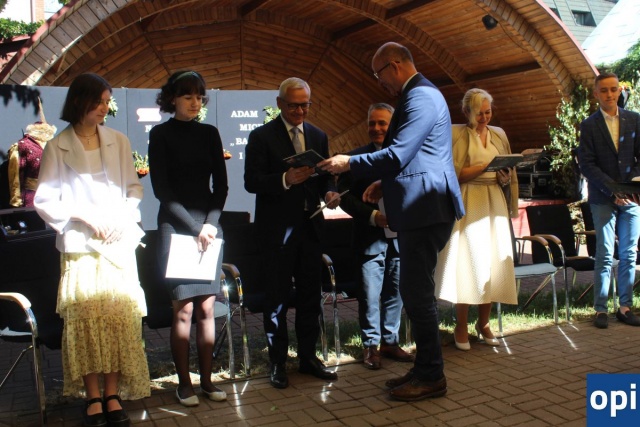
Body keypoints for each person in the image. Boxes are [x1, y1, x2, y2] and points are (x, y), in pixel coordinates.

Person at [319, 42, 464, 402]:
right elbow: (420, 154)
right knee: (415, 292)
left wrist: (348, 163)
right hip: (421, 207)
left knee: (417, 293)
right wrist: (385, 183)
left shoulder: (421, 97)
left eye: (379, 74)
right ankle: (424, 368)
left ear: (394, 65)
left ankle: (432, 375)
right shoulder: (418, 95)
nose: (379, 82)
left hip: (425, 209)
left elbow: (399, 153)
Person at [34, 73, 149, 427]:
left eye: (106, 102)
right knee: (84, 323)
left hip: (117, 243)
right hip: (80, 247)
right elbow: (44, 199)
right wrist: (82, 215)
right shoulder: (57, 146)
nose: (103, 108)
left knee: (118, 321)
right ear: (79, 101)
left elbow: (134, 189)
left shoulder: (118, 140)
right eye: (98, 101)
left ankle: (112, 394)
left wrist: (121, 217)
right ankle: (92, 396)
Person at [244, 77, 341, 389]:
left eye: (305, 105)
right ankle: (277, 361)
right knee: (276, 298)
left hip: (310, 228)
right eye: (293, 105)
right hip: (276, 232)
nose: (300, 111)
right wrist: (285, 178)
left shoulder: (318, 135)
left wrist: (329, 192)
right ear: (279, 104)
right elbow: (251, 181)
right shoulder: (261, 136)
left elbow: (325, 177)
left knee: (311, 297)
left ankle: (308, 357)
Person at [148, 70, 229, 406]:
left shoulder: (210, 133)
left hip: (209, 228)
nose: (195, 102)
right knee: (183, 311)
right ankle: (185, 385)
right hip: (176, 228)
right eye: (187, 96)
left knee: (207, 308)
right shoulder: (160, 134)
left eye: (199, 96)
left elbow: (221, 186)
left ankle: (207, 381)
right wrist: (196, 229)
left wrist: (209, 225)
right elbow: (162, 191)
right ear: (172, 99)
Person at [435, 88, 518, 350]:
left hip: (494, 200)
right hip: (469, 200)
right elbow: (450, 172)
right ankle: (460, 324)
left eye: (487, 112)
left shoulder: (499, 134)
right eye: (478, 113)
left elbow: (507, 169)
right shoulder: (455, 133)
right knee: (469, 262)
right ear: (465, 112)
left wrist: (504, 176)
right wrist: (485, 167)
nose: (484, 118)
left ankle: (484, 323)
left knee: (493, 260)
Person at [337, 103, 413, 370]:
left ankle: (390, 342)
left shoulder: (406, 156)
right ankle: (371, 345)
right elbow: (345, 198)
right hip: (369, 240)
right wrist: (372, 216)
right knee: (370, 295)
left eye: (382, 123)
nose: (377, 128)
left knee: (395, 292)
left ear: (393, 126)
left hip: (400, 238)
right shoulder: (355, 159)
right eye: (372, 123)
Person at [577, 72, 640, 329]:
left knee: (628, 253)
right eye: (604, 90)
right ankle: (601, 309)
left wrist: (630, 187)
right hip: (603, 197)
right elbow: (587, 164)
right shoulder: (588, 125)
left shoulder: (634, 119)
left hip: (632, 197)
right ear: (596, 94)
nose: (610, 94)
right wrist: (614, 190)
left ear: (619, 91)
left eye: (613, 89)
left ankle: (625, 307)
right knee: (604, 253)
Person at [8, 115, 57, 207]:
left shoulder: (55, 146)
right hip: (32, 198)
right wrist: (16, 198)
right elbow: (15, 174)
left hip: (53, 197)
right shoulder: (23, 145)